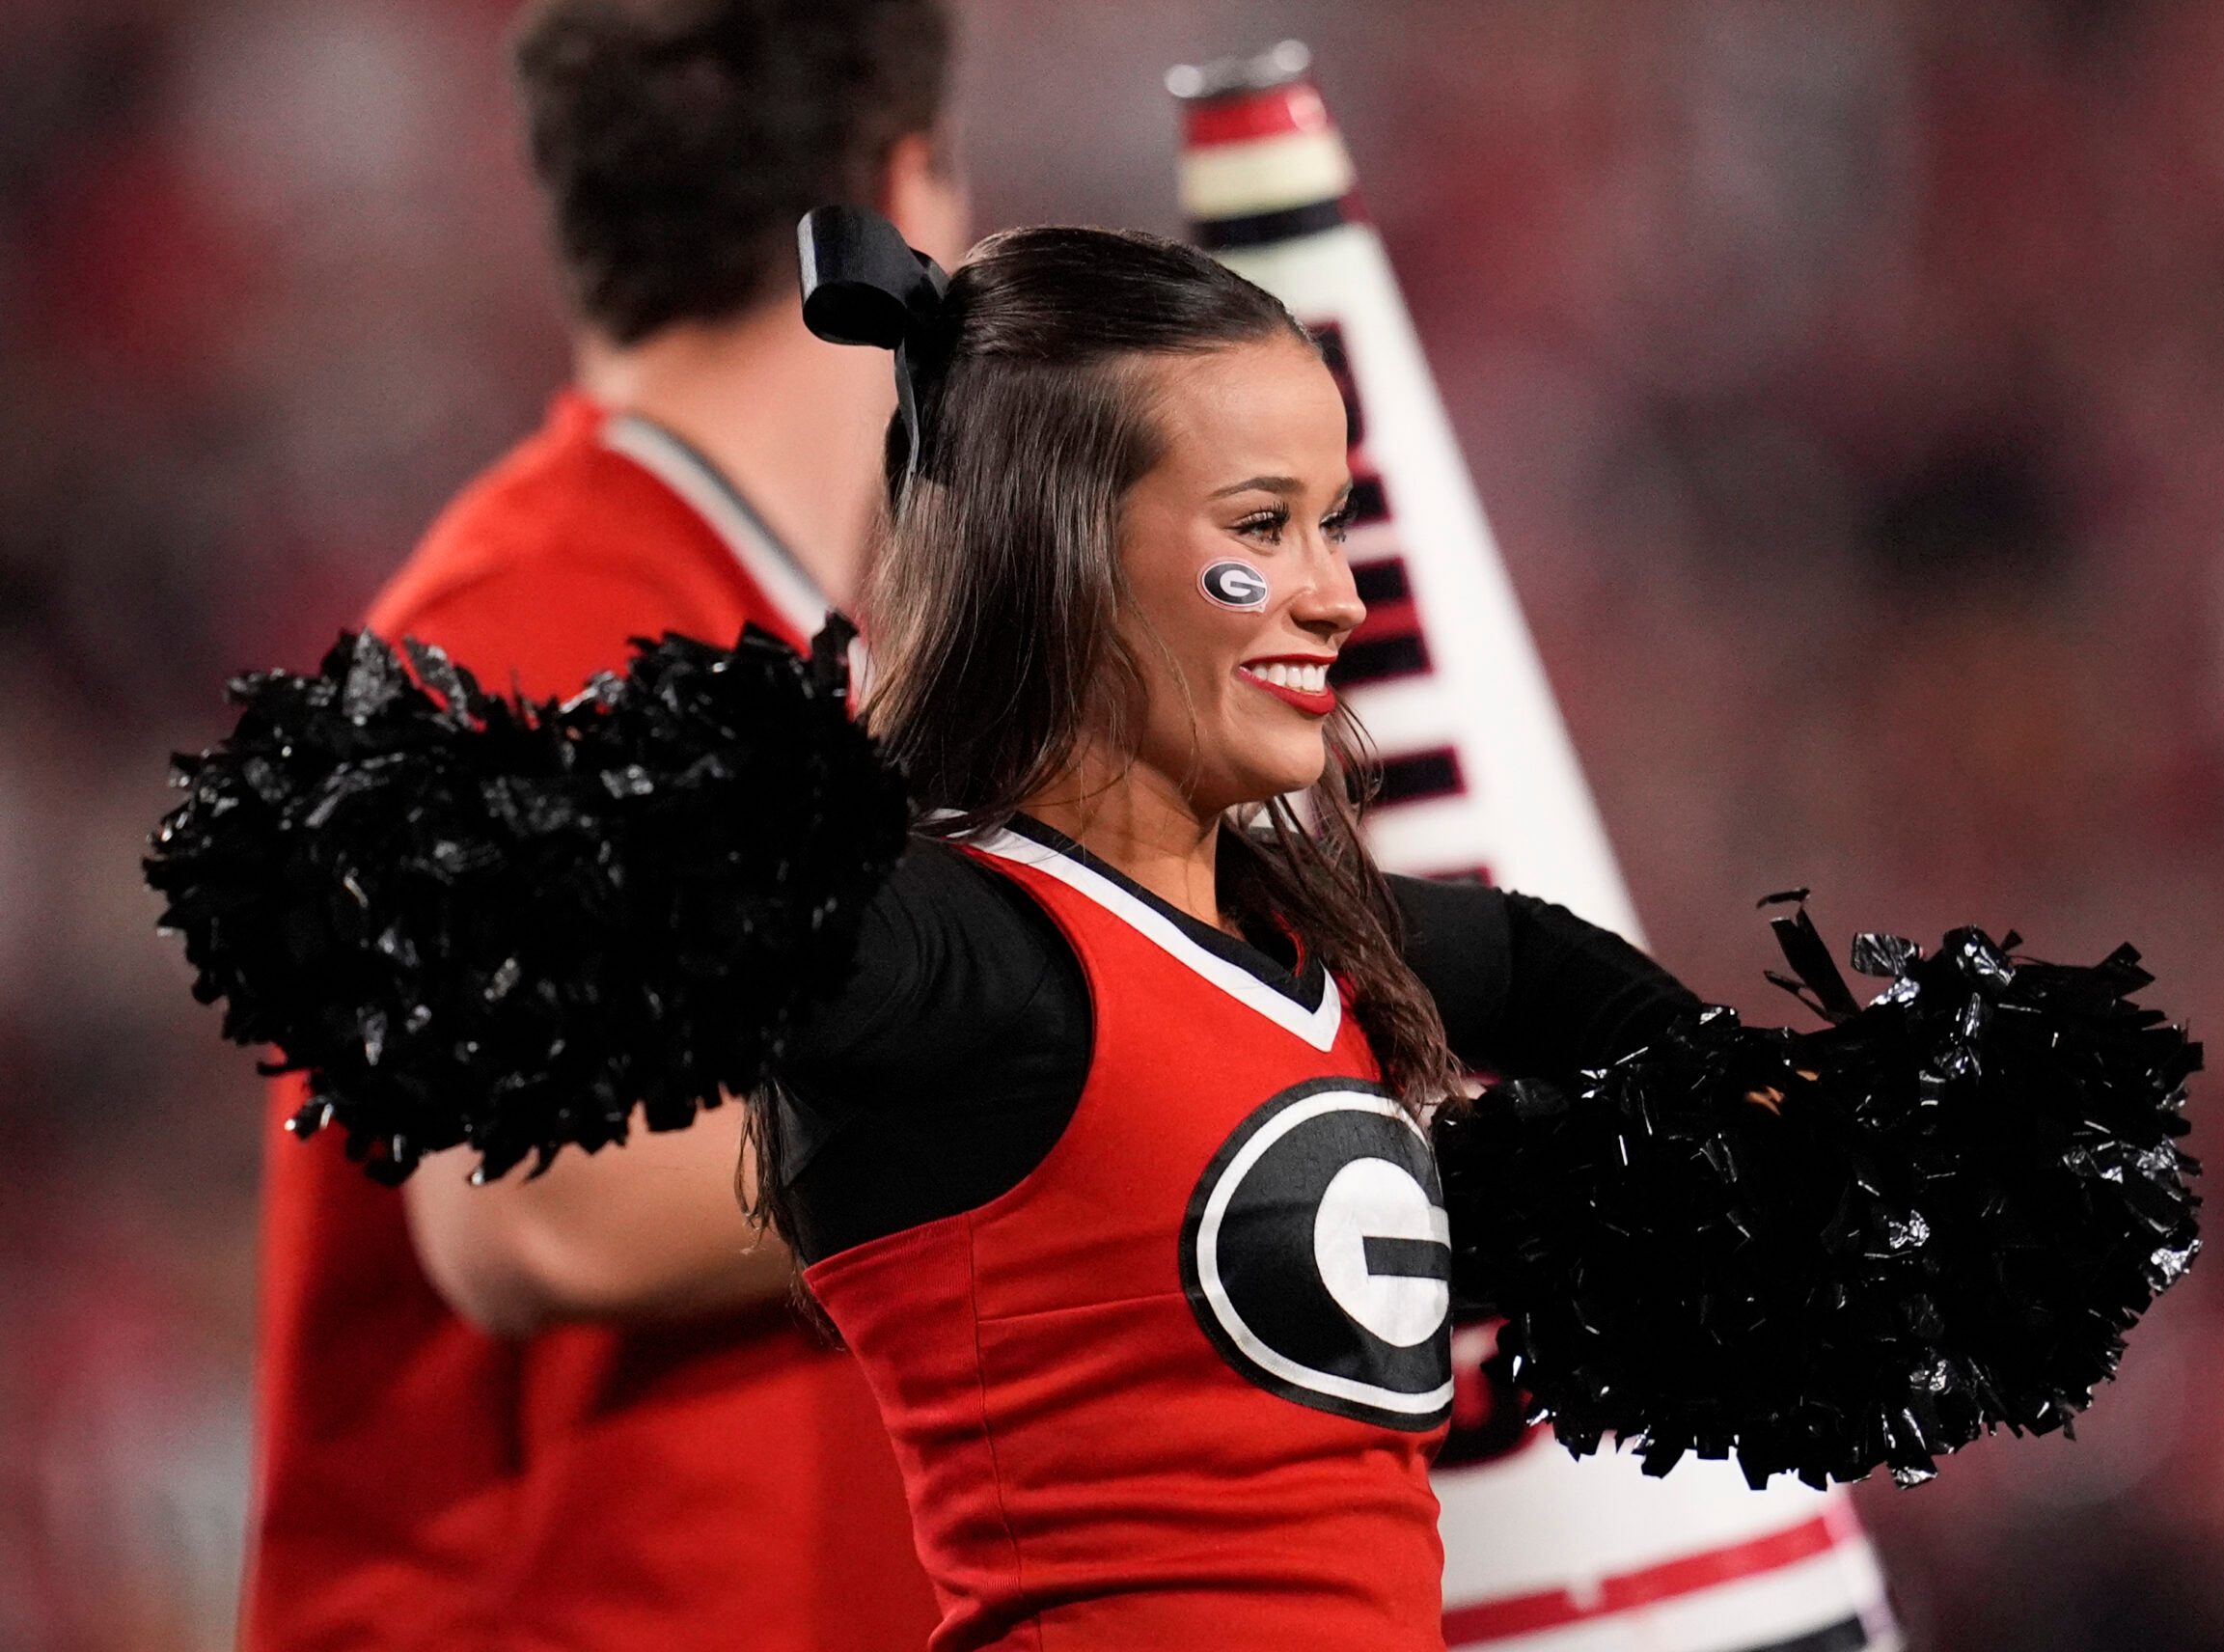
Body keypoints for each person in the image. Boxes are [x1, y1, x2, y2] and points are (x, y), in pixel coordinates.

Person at [736, 218, 1704, 1651]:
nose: (1337, 594)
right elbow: (705, 925)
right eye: (1262, 527)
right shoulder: (958, 948)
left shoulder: (1301, 935)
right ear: (1053, 550)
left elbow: (1526, 958)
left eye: (1333, 522)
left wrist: (1752, 1111)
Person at [242, 5, 965, 1649]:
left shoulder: (830, 648)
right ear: (907, 197)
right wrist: (1059, 1106)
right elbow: (536, 1210)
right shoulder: (531, 619)